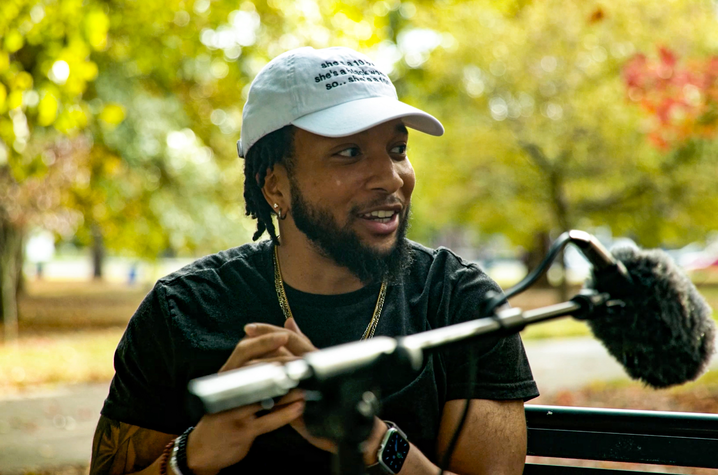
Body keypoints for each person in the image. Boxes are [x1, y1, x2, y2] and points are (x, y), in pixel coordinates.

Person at [90, 46, 538, 475]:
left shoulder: (461, 303)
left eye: (397, 150)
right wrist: (194, 454)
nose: (390, 177)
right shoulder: (182, 312)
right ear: (276, 187)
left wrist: (370, 440)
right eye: (349, 152)